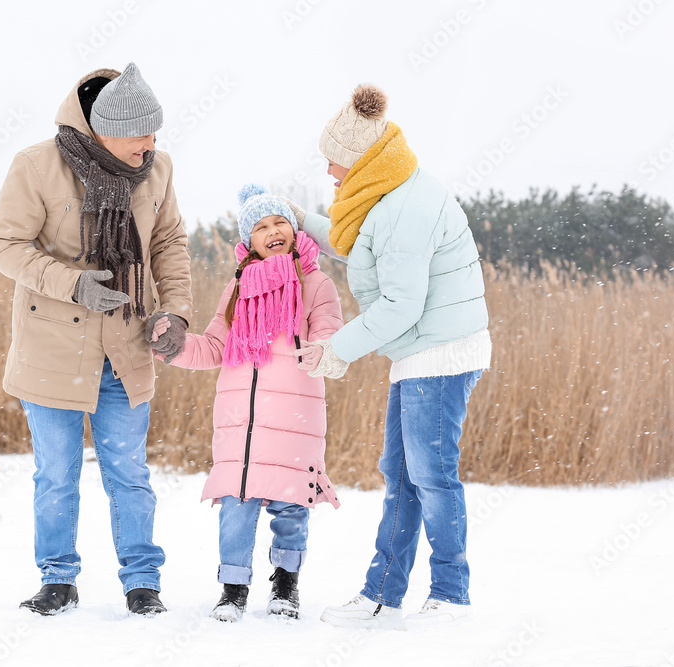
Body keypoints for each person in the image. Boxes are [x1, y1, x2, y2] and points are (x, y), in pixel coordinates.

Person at [0, 63, 193, 616]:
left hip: (126, 346)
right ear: (102, 129)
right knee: (56, 475)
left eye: (155, 133)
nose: (150, 145)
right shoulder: (37, 165)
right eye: (139, 134)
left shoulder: (158, 169)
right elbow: (5, 245)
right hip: (52, 347)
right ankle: (58, 579)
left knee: (129, 473)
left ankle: (142, 581)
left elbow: (169, 243)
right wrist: (73, 284)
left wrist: (175, 311)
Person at [292, 84, 491, 630]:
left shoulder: (407, 207)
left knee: (431, 476)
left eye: (334, 158)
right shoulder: (385, 192)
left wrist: (336, 350)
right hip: (419, 352)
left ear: (359, 161)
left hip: (441, 353)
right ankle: (382, 596)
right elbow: (357, 242)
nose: (328, 167)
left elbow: (403, 305)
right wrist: (297, 218)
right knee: (401, 476)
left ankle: (450, 596)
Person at [150, 184, 343, 622]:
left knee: (292, 506)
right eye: (261, 226)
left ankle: (286, 584)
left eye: (280, 223)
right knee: (236, 504)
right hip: (241, 422)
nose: (273, 230)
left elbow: (330, 332)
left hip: (295, 417)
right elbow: (214, 346)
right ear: (248, 242)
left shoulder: (316, 283)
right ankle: (233, 589)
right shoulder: (236, 289)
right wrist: (175, 346)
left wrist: (325, 350)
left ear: (294, 232)